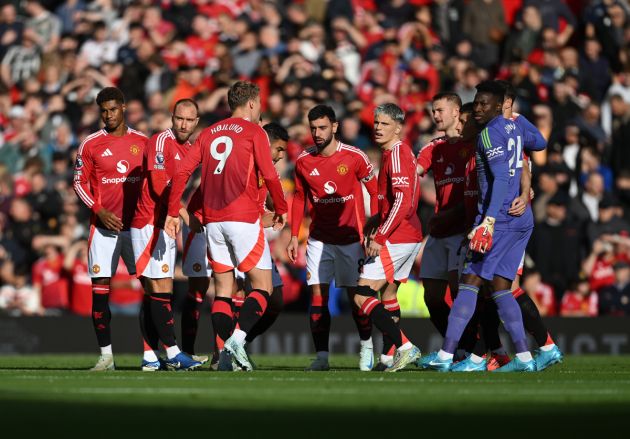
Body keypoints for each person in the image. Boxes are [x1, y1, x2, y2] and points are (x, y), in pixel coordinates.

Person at [165, 81, 287, 372]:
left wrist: (173, 209)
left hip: (213, 222)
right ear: (252, 104)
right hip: (242, 217)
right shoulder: (255, 131)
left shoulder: (208, 133)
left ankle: (226, 359)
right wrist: (281, 207)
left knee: (223, 292)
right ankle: (237, 340)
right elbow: (269, 174)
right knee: (263, 287)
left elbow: (182, 171)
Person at [423, 80, 539, 372]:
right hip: (519, 219)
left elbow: (500, 179)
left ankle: (451, 355)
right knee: (500, 289)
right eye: (476, 102)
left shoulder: (488, 136)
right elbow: (539, 143)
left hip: (497, 220)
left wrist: (487, 220)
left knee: (469, 284)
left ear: (500, 106)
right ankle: (524, 358)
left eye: (484, 104)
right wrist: (524, 190)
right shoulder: (515, 127)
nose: (477, 109)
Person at [287, 105, 378, 371]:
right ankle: (322, 357)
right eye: (313, 128)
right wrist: (294, 235)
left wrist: (374, 226)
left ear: (335, 127)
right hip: (318, 239)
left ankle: (366, 348)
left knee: (356, 299)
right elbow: (299, 198)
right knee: (317, 296)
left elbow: (376, 192)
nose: (317, 133)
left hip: (351, 239)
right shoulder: (304, 160)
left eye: (322, 127)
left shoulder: (355, 157)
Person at [73, 86, 147, 371]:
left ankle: (152, 355)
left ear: (124, 107)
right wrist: (98, 210)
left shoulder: (142, 141)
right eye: (103, 110)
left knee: (152, 289)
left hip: (137, 228)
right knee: (100, 289)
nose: (108, 115)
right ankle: (106, 357)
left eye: (113, 109)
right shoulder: (90, 144)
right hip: (103, 228)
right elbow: (79, 183)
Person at [131, 98, 202, 371]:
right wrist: (184, 215)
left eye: (189, 120)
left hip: (166, 222)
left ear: (196, 122)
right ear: (173, 118)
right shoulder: (160, 142)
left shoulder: (193, 149)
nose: (183, 125)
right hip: (149, 222)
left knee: (161, 291)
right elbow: (160, 185)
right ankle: (173, 353)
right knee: (156, 288)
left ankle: (150, 357)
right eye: (179, 119)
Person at [353, 103, 423, 373]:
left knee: (362, 296)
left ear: (398, 127)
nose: (378, 128)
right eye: (376, 123)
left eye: (384, 124)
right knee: (389, 294)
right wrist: (376, 218)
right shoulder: (395, 153)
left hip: (398, 234)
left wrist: (380, 235)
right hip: (408, 232)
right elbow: (395, 199)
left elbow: (403, 201)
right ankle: (388, 356)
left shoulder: (395, 153)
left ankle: (405, 347)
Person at [416, 92, 476, 354]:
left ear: (456, 111)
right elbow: (412, 173)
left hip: (462, 232)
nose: (435, 115)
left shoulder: (472, 146)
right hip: (438, 232)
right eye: (433, 111)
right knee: (432, 298)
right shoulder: (433, 147)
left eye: (440, 110)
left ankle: (472, 350)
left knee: (459, 292)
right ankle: (460, 349)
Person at [227, 122, 289, 370]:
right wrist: (266, 216)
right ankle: (224, 351)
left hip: (255, 236)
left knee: (275, 301)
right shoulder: (246, 165)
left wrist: (271, 213)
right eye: (279, 149)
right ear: (267, 145)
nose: (282, 156)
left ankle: (240, 342)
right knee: (238, 293)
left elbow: (259, 206)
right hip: (238, 235)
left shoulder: (266, 171)